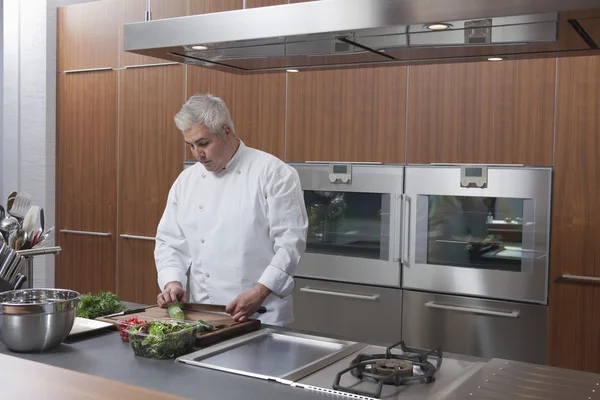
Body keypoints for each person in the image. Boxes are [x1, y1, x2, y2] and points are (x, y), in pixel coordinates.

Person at [154, 93, 308, 326]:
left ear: (227, 132)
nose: (197, 154)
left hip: (261, 315)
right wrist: (172, 282)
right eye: (191, 146)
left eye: (203, 143)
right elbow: (169, 241)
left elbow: (290, 243)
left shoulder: (273, 173)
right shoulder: (186, 181)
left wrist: (259, 292)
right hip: (203, 315)